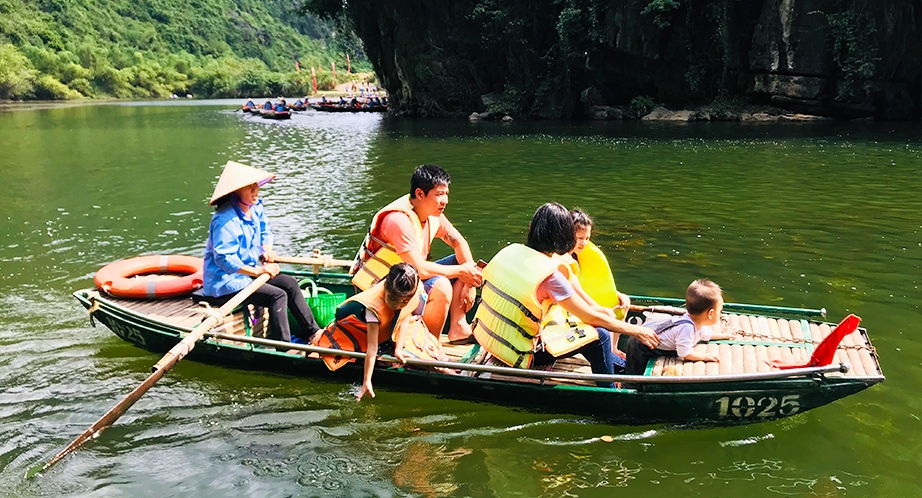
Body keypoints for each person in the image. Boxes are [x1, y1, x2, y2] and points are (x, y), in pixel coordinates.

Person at [471, 202, 658, 388]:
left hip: (493, 340)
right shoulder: (550, 276)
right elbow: (591, 317)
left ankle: (626, 371)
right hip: (521, 352)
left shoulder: (510, 251)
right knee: (599, 336)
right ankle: (611, 392)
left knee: (579, 329)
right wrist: (636, 330)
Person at [351, 164, 483, 344]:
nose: (445, 200)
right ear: (420, 194)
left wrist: (469, 282)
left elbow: (458, 242)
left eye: (446, 194)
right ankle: (428, 346)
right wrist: (462, 272)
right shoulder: (399, 221)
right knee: (443, 284)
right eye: (438, 194)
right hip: (384, 289)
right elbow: (419, 270)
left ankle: (458, 328)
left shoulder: (432, 214)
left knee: (463, 264)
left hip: (408, 279)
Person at [203, 161, 321, 347]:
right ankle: (284, 346)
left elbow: (265, 231)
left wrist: (266, 248)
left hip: (250, 275)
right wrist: (257, 272)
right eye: (249, 187)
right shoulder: (224, 220)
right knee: (277, 295)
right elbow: (224, 259)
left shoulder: (256, 207)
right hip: (226, 282)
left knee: (289, 283)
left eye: (255, 185)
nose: (255, 190)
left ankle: (314, 334)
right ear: (235, 192)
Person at [314, 263, 433, 401]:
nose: (397, 305)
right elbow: (372, 348)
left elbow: (405, 314)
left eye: (403, 302)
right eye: (393, 299)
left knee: (431, 356)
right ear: (386, 289)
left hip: (391, 330)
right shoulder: (373, 309)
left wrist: (399, 349)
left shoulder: (411, 291)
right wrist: (367, 381)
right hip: (361, 333)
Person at [624, 279, 735, 376]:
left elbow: (706, 334)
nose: (721, 313)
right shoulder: (686, 328)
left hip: (646, 337)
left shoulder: (693, 321)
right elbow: (685, 354)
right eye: (720, 310)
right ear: (710, 314)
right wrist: (705, 356)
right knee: (635, 372)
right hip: (641, 345)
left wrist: (724, 335)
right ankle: (628, 386)